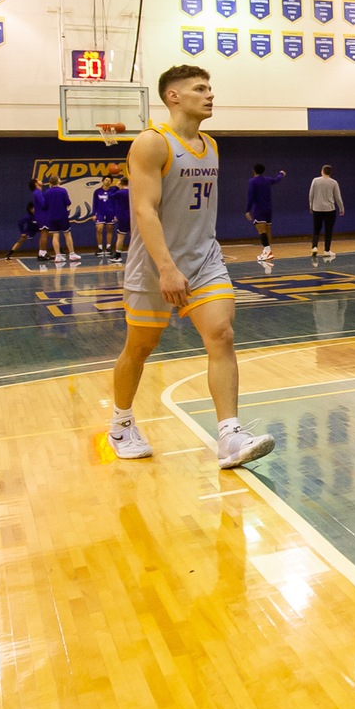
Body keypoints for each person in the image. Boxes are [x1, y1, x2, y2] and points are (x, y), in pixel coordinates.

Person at [106, 64, 274, 469]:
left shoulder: (211, 144)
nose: (210, 94)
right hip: (153, 264)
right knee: (140, 347)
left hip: (204, 260)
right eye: (201, 88)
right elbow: (143, 209)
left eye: (211, 87)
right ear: (173, 96)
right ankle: (120, 424)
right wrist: (166, 268)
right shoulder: (151, 143)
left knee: (221, 334)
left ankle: (229, 436)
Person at [242, 163, 285, 259]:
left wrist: (247, 210)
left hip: (259, 209)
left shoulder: (252, 181)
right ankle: (266, 251)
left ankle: (268, 251)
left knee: (261, 230)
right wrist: (281, 174)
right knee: (268, 230)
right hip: (268, 209)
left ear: (254, 171)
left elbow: (250, 197)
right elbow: (277, 179)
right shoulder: (267, 180)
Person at [307, 164, 344, 258]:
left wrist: (311, 205)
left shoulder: (315, 180)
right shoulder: (334, 182)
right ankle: (327, 250)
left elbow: (311, 194)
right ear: (330, 173)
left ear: (322, 171)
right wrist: (341, 208)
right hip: (330, 209)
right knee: (328, 230)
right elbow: (337, 197)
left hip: (317, 208)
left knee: (316, 229)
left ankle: (314, 247)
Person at [40, 176, 77, 265]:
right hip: (62, 215)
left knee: (55, 235)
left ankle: (57, 255)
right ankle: (72, 254)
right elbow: (68, 202)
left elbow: (44, 205)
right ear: (58, 181)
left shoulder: (47, 192)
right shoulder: (63, 190)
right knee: (67, 234)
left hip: (51, 217)